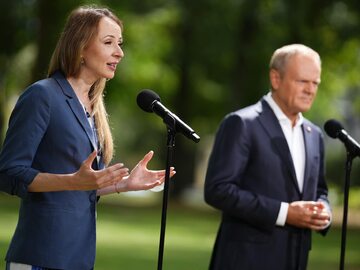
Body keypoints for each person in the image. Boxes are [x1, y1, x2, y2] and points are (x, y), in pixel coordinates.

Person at [0, 5, 175, 270]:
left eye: (120, 43)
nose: (119, 52)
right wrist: (73, 180)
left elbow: (84, 186)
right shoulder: (42, 96)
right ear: (81, 47)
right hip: (39, 257)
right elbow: (9, 173)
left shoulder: (93, 109)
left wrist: (124, 184)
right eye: (108, 42)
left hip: (78, 258)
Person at [204, 44, 332, 270]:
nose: (310, 90)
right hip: (245, 260)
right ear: (275, 78)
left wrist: (323, 211)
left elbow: (320, 189)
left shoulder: (315, 135)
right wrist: (284, 213)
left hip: (296, 259)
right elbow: (218, 190)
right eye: (303, 81)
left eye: (315, 83)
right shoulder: (242, 124)